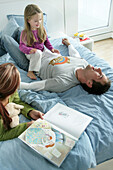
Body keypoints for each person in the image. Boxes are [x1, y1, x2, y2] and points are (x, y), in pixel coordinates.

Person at [20, 38, 111, 95]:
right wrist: (69, 44)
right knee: (27, 32)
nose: (99, 69)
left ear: (89, 83)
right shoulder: (84, 64)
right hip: (48, 51)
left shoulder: (64, 82)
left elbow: (34, 86)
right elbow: (75, 54)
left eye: (99, 75)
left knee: (9, 39)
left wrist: (15, 85)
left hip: (35, 59)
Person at [0, 63, 44, 141]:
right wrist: (26, 126)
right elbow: (1, 135)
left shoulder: (11, 93)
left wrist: (30, 111)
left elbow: (18, 102)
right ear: (11, 89)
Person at [19, 4, 59, 80]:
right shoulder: (25, 32)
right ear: (28, 20)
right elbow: (21, 46)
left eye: (40, 20)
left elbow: (46, 41)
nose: (39, 22)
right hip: (31, 53)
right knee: (38, 53)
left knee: (56, 56)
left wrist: (52, 49)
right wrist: (29, 50)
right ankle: (31, 71)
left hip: (42, 51)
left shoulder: (42, 29)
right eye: (35, 21)